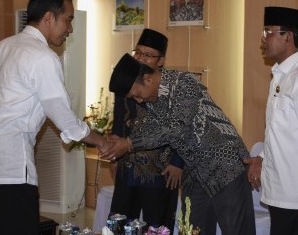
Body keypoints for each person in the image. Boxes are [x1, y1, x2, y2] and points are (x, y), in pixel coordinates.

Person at [0, 0, 113, 235]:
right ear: (48, 18)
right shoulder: (42, 57)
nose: (70, 29)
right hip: (10, 171)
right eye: (68, 19)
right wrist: (100, 141)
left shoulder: (0, 47)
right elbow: (64, 116)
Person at [103, 54, 256, 235]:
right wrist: (114, 142)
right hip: (194, 173)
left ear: (147, 78)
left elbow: (176, 129)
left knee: (237, 231)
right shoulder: (153, 101)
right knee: (192, 231)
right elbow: (151, 132)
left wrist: (128, 143)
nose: (138, 101)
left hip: (225, 166)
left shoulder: (185, 83)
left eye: (136, 95)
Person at [244, 6, 298, 234]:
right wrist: (261, 157)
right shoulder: (281, 77)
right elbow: (281, 133)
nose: (263, 40)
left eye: (268, 32)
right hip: (280, 191)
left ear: (288, 37)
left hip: (297, 196)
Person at [108, 28, 184, 231]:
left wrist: (178, 163)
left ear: (161, 61)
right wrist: (114, 157)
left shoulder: (171, 87)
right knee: (120, 219)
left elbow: (182, 127)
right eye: (138, 52)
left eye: (147, 55)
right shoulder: (125, 77)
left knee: (157, 222)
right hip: (128, 163)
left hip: (160, 167)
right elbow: (118, 121)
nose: (140, 59)